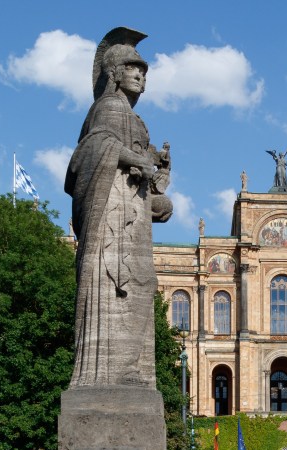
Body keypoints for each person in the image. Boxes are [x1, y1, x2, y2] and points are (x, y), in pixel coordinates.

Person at [64, 27, 172, 388]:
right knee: (119, 289)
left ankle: (129, 370)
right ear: (114, 73)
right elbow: (89, 153)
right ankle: (112, 372)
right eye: (133, 67)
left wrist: (157, 195)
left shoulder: (134, 117)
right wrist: (131, 158)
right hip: (112, 228)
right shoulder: (109, 107)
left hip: (132, 224)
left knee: (140, 289)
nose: (141, 74)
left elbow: (134, 180)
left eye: (144, 69)